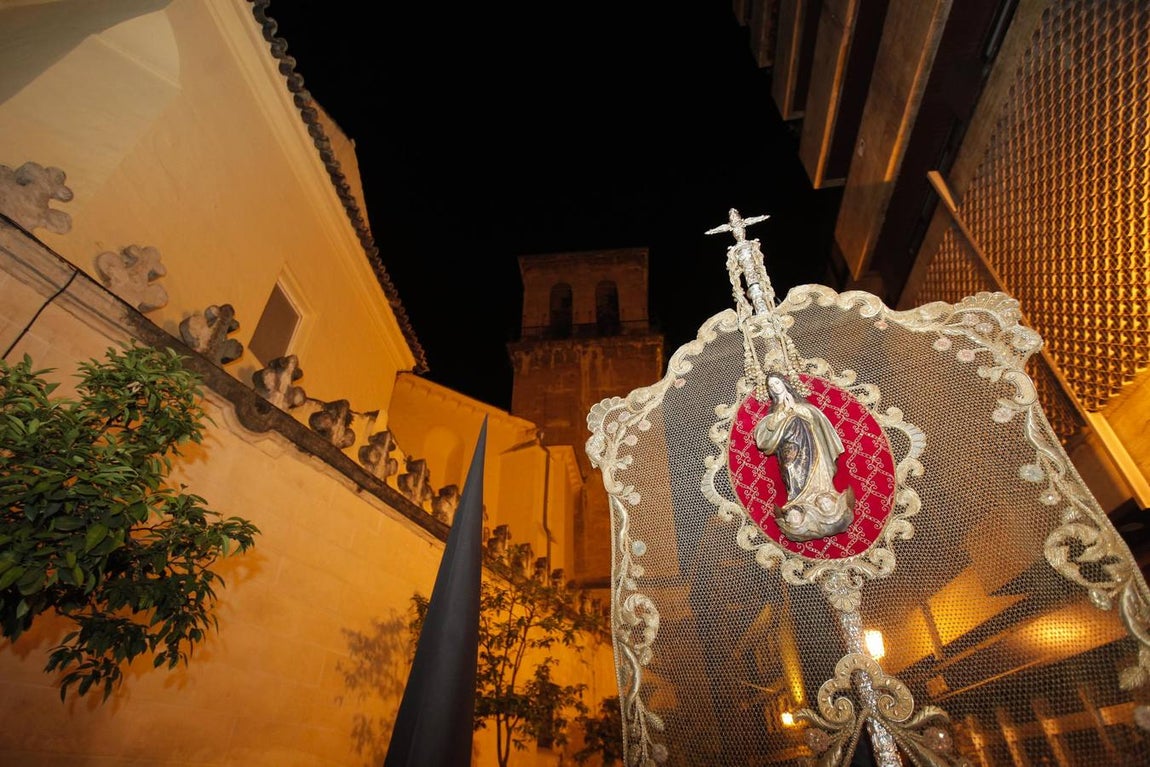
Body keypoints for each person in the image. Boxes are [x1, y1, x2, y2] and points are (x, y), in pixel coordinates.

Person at [753, 374, 855, 541]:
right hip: (789, 450)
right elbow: (767, 432)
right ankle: (798, 502)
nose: (776, 387)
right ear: (770, 391)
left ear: (784, 383)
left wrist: (795, 409)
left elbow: (815, 418)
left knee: (817, 470)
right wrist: (781, 414)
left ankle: (824, 496)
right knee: (791, 471)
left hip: (811, 445)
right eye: (772, 386)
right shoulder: (773, 412)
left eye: (777, 383)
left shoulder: (801, 404)